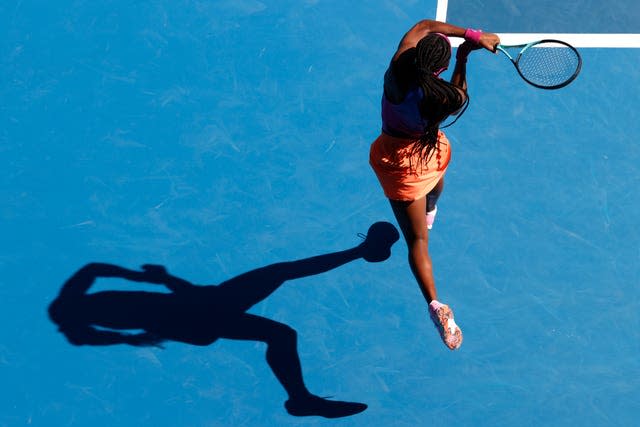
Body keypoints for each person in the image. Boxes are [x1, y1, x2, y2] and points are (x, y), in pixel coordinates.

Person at [369, 20, 500, 350]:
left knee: (417, 241)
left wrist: (473, 34)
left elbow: (425, 25)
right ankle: (430, 207)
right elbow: (460, 93)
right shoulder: (443, 99)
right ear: (439, 68)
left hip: (400, 163)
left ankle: (436, 306)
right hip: (430, 151)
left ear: (416, 55)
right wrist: (465, 57)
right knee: (432, 197)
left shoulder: (397, 69)